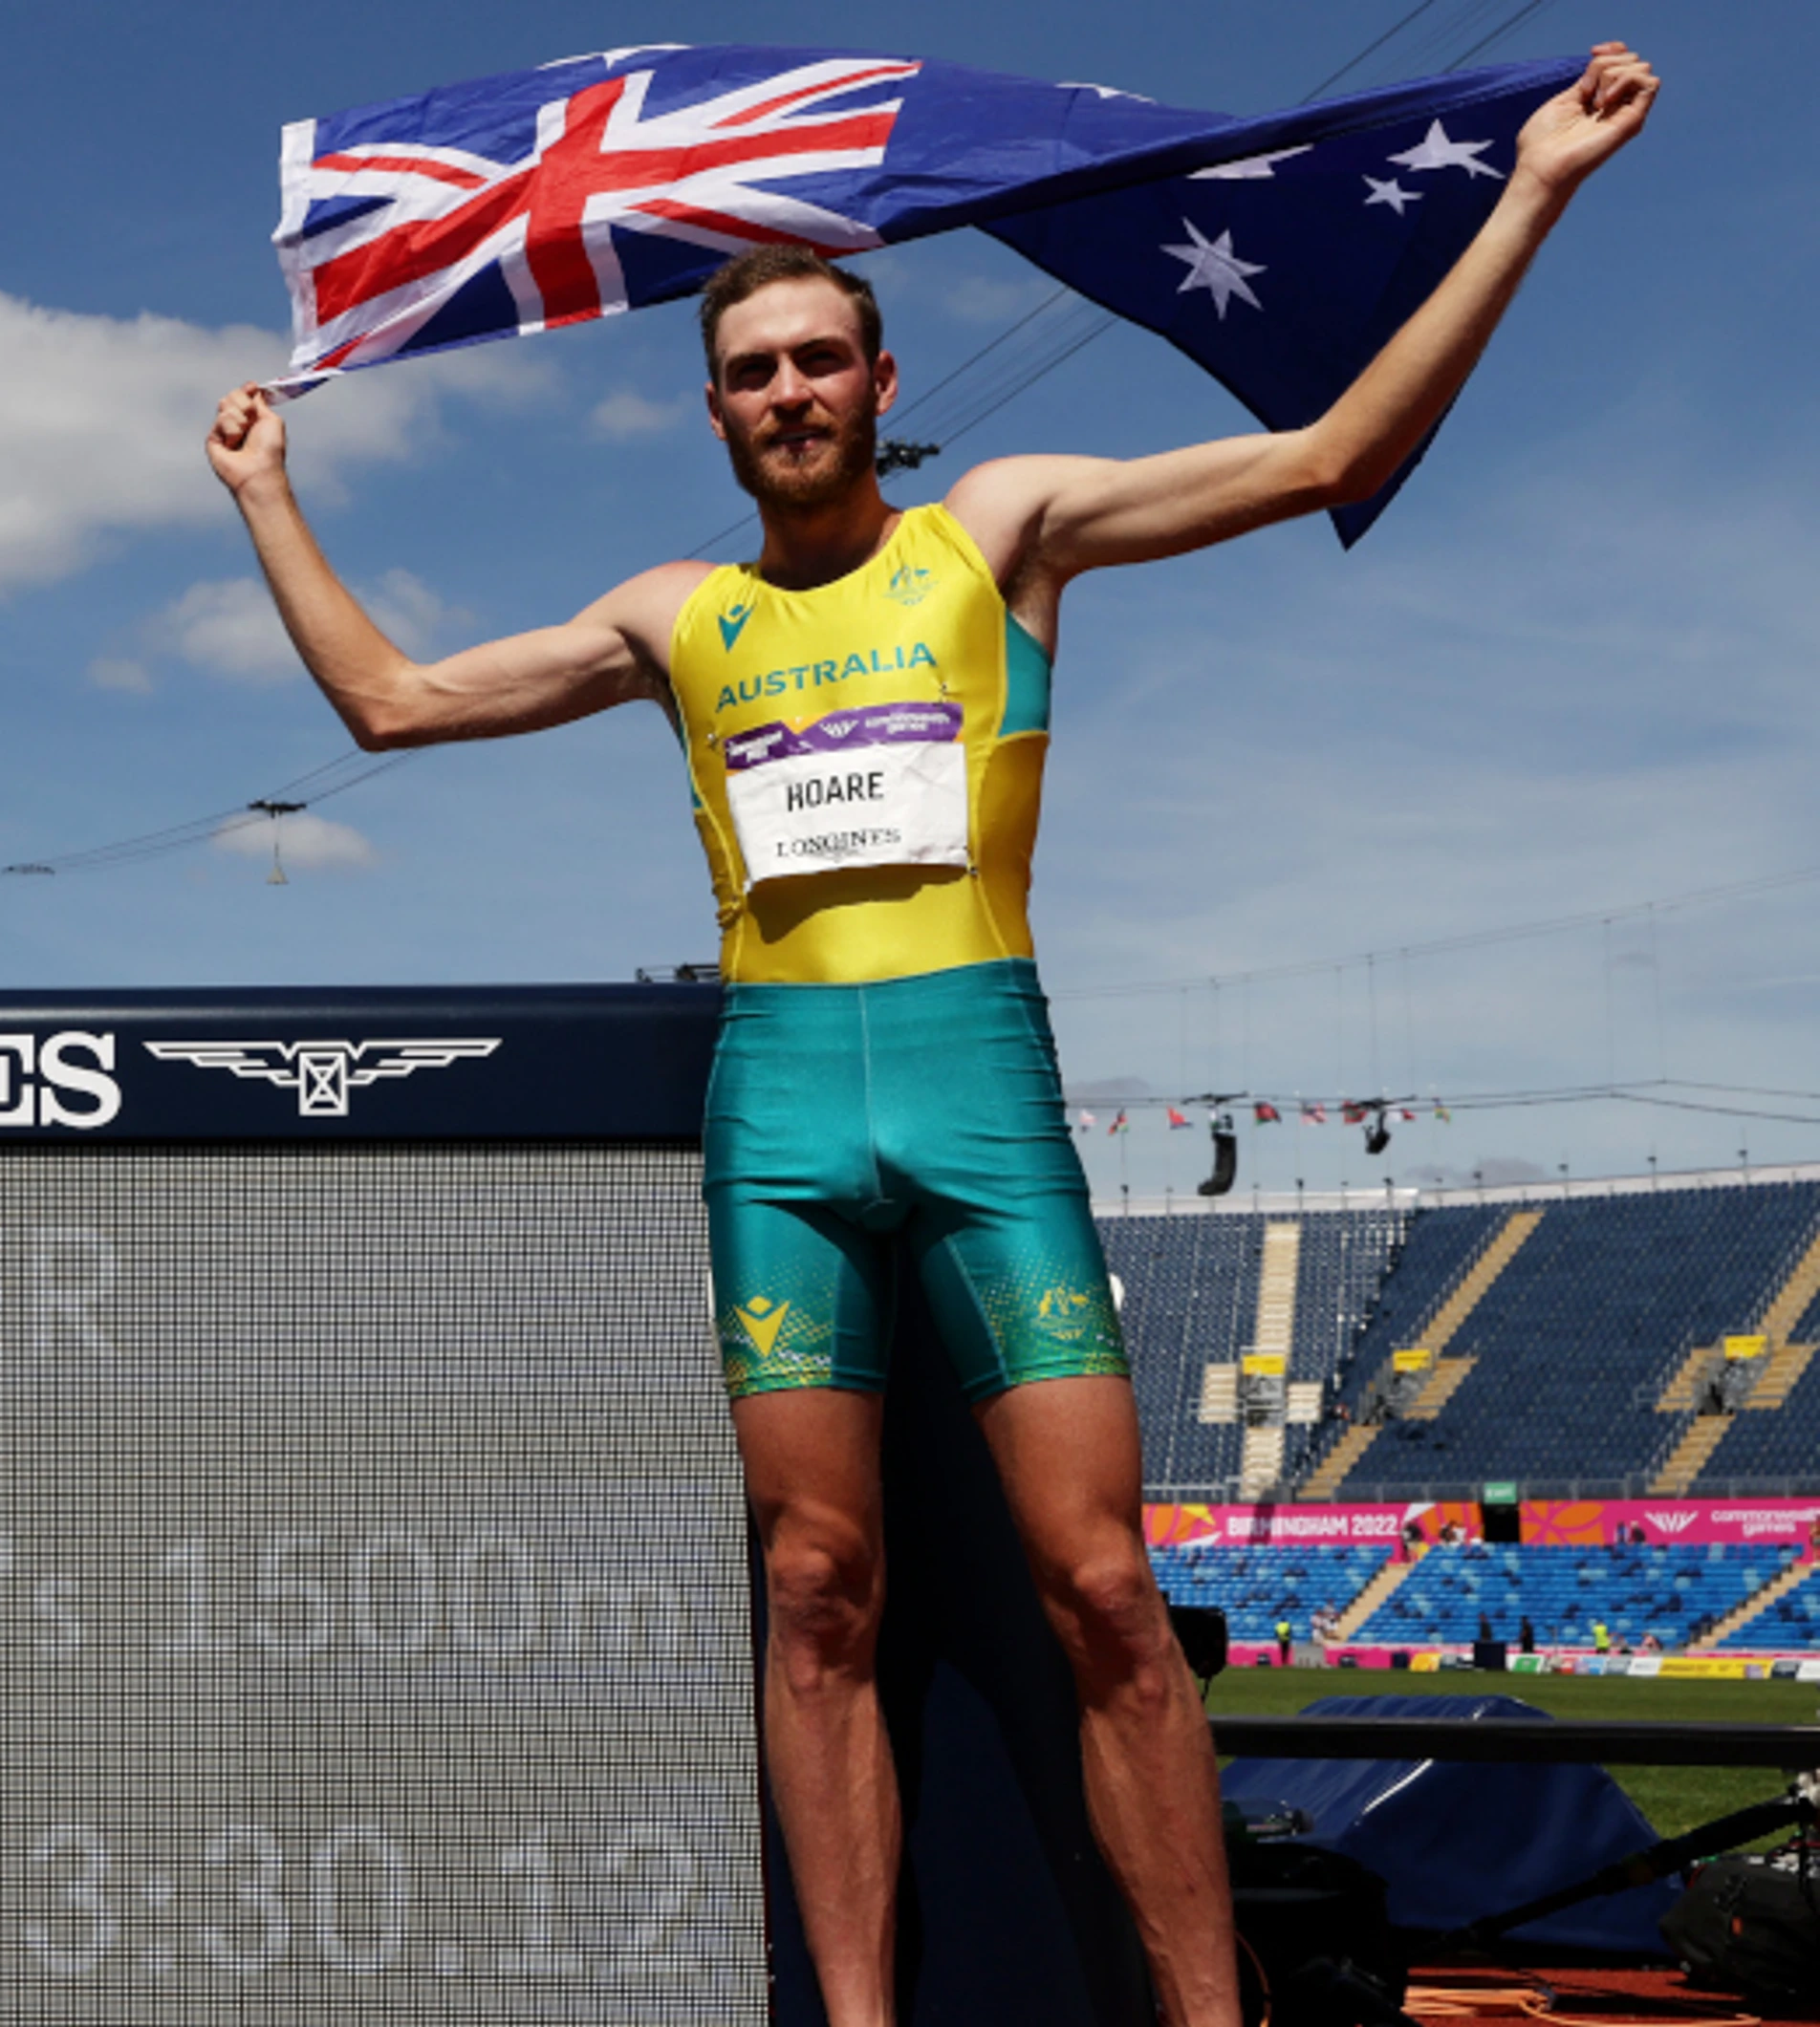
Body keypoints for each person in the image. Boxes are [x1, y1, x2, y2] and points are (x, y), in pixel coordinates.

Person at [203, 46, 1656, 2027]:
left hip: (980, 1100)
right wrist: (268, 491)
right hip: (782, 1122)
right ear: (714, 411)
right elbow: (390, 706)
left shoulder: (1002, 534)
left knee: (1113, 1597)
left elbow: (1326, 453)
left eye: (820, 360)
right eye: (753, 370)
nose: (790, 391)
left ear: (880, 386)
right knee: (813, 1598)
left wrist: (1533, 194)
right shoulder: (674, 618)